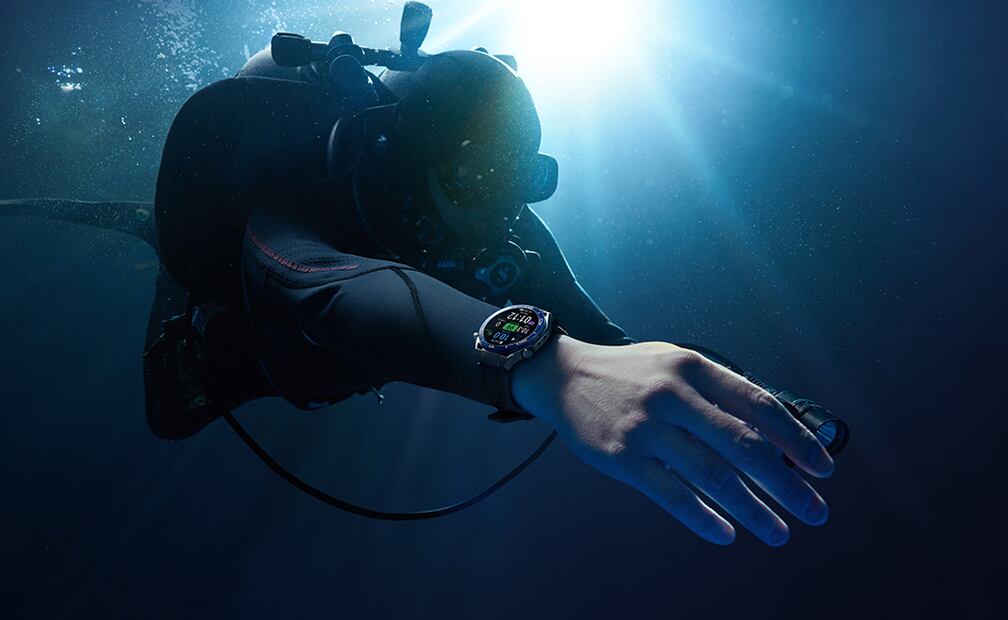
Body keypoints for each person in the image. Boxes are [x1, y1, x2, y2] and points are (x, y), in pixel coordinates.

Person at [173, 45, 833, 547]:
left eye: (521, 177)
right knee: (172, 410)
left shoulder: (505, 233)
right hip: (256, 357)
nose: (503, 207)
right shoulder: (299, 211)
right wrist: (548, 365)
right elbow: (319, 278)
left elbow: (615, 353)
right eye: (480, 174)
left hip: (352, 370)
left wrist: (756, 403)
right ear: (410, 156)